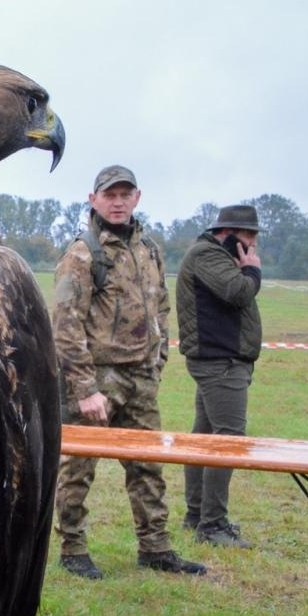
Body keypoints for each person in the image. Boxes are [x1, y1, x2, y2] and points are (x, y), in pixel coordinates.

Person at [50, 164, 205, 579]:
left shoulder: (148, 250)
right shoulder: (81, 255)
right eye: (109, 195)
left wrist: (157, 363)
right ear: (93, 199)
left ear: (137, 198)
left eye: (125, 194)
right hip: (95, 383)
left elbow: (160, 308)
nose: (117, 202)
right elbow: (64, 325)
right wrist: (84, 388)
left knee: (148, 466)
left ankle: (155, 548)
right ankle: (73, 549)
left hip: (140, 379)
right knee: (78, 469)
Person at [177, 205, 264, 547]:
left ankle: (197, 514)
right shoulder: (207, 255)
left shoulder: (216, 256)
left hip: (221, 360)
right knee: (228, 440)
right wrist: (253, 272)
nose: (253, 245)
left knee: (204, 438)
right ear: (227, 234)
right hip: (220, 363)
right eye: (248, 237)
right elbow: (238, 292)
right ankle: (212, 525)